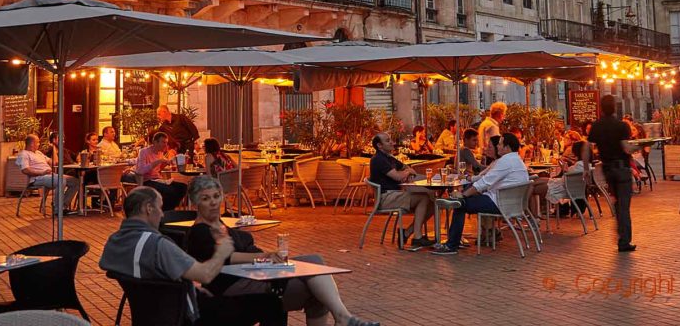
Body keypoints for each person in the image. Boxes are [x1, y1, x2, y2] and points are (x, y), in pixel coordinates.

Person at [184, 176, 380, 326]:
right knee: (317, 293)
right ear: (195, 203)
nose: (213, 202)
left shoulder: (224, 226)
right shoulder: (200, 232)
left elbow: (249, 252)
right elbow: (228, 258)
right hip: (234, 288)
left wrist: (269, 257)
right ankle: (343, 317)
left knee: (315, 263)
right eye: (206, 198)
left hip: (257, 277)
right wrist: (265, 256)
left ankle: (342, 316)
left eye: (216, 196)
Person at [99, 187, 286, 326]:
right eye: (160, 208)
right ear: (148, 208)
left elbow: (109, 265)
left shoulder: (114, 242)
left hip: (151, 314)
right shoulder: (158, 245)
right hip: (185, 315)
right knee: (272, 304)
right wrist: (221, 253)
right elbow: (204, 275)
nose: (162, 214)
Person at [430, 133, 530, 255]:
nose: (498, 146)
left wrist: (464, 195)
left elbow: (484, 183)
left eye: (500, 143)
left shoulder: (505, 161)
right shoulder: (516, 160)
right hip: (508, 203)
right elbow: (484, 180)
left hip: (498, 203)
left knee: (460, 205)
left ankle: (451, 245)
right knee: (463, 199)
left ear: (507, 147)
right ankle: (454, 202)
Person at [586, 94, 638, 252]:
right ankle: (624, 240)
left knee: (617, 202)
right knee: (624, 205)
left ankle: (620, 230)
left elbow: (586, 147)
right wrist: (640, 147)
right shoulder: (622, 126)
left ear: (601, 107)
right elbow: (626, 148)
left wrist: (585, 169)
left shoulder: (596, 126)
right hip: (621, 168)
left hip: (607, 169)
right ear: (615, 107)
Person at [368, 133, 434, 249]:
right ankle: (417, 237)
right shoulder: (378, 160)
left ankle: (407, 233)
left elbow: (409, 169)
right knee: (424, 198)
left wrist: (406, 173)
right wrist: (406, 173)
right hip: (386, 197)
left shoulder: (389, 158)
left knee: (433, 203)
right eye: (388, 141)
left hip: (396, 194)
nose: (392, 142)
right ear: (379, 145)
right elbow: (398, 177)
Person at [16, 134, 79, 215]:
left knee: (75, 182)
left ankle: (62, 206)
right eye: (38, 142)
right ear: (32, 143)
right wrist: (41, 172)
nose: (39, 144)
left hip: (49, 175)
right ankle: (57, 209)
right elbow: (25, 170)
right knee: (61, 181)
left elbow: (55, 162)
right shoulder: (24, 154)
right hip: (37, 178)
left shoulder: (38, 153)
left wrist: (53, 148)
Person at [136, 132, 189, 211]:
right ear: (155, 142)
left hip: (158, 179)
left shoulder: (160, 153)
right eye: (163, 142)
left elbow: (159, 169)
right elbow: (140, 170)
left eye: (166, 142)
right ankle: (165, 212)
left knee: (183, 187)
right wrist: (159, 161)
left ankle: (167, 210)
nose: (165, 145)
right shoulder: (144, 152)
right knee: (170, 191)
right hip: (147, 181)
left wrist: (169, 162)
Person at [546, 141, 588, 205]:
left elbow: (565, 180)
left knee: (537, 183)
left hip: (566, 189)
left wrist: (565, 170)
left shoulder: (578, 165)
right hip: (573, 188)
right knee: (541, 180)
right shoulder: (586, 164)